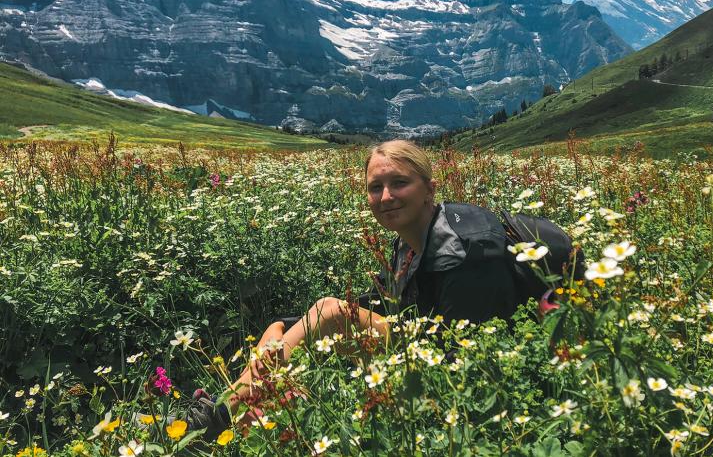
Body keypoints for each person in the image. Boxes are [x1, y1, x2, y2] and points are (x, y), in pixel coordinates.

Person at [185, 140, 567, 438]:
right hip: (430, 350)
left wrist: (327, 324)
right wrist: (286, 325)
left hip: (477, 380)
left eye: (399, 183)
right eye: (376, 187)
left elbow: (469, 358)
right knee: (291, 328)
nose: (385, 197)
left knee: (331, 313)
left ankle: (215, 419)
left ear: (429, 189)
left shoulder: (465, 253)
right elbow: (386, 306)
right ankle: (237, 420)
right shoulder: (410, 241)